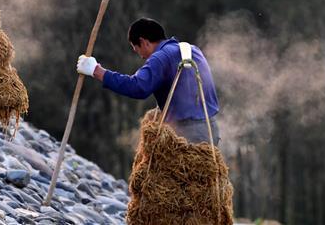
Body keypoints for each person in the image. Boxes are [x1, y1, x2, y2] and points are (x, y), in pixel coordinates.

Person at [76, 17, 220, 145]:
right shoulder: (191, 50)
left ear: (143, 42)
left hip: (188, 135)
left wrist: (98, 71)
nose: (141, 56)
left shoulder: (160, 57)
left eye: (136, 49)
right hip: (211, 127)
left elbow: (138, 87)